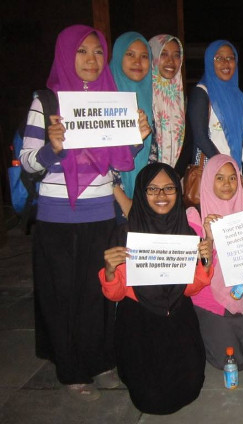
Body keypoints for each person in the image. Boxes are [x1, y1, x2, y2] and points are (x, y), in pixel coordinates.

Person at [19, 25, 150, 401]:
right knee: (64, 295)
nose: (91, 60)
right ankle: (71, 366)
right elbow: (28, 163)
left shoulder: (112, 98)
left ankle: (101, 360)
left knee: (100, 292)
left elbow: (114, 165)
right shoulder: (46, 102)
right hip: (58, 217)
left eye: (97, 52)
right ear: (65, 54)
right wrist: (51, 148)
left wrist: (134, 135)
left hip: (100, 213)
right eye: (82, 52)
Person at [98, 163, 213, 414]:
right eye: (153, 189)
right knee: (149, 398)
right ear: (141, 192)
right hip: (139, 324)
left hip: (178, 319)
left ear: (178, 191)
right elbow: (114, 294)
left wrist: (206, 262)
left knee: (191, 386)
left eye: (169, 188)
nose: (161, 196)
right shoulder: (124, 234)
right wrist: (109, 271)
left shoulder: (187, 232)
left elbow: (190, 289)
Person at [186, 154, 243, 370]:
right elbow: (192, 272)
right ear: (208, 180)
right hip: (212, 301)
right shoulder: (194, 216)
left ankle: (237, 333)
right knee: (234, 364)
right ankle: (205, 333)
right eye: (219, 178)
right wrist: (209, 237)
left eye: (232, 178)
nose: (227, 184)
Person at [187, 40, 243, 201]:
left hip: (236, 175)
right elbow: (201, 138)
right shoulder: (201, 93)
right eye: (219, 58)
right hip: (213, 174)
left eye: (230, 58)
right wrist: (228, 171)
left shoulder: (239, 97)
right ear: (209, 62)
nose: (226, 63)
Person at [110, 32, 154, 217]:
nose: (138, 62)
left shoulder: (150, 98)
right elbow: (99, 158)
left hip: (144, 198)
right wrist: (124, 200)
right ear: (119, 56)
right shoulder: (105, 98)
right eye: (130, 54)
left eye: (144, 56)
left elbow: (153, 152)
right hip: (114, 201)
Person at [149, 34, 189, 175]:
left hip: (174, 177)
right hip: (148, 176)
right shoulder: (145, 94)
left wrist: (176, 174)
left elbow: (187, 141)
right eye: (164, 54)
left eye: (176, 55)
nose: (171, 61)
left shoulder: (179, 96)